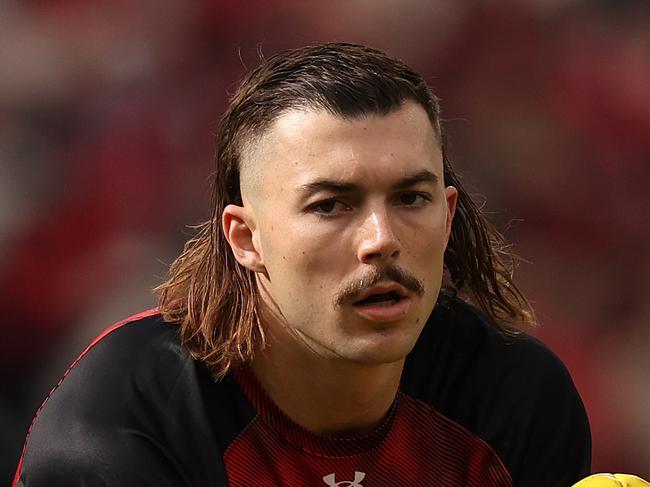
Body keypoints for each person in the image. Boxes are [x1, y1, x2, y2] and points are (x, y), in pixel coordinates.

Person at [13, 42, 591, 486]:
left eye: (411, 198)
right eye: (331, 205)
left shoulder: (515, 401)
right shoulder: (124, 423)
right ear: (246, 239)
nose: (381, 240)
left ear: (447, 215)